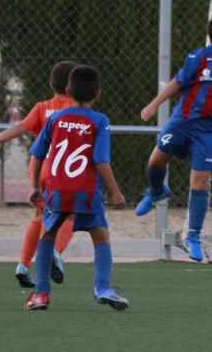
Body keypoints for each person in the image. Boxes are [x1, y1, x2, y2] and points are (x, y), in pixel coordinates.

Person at [135, 13, 212, 262]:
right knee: (155, 163)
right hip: (182, 121)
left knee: (201, 181)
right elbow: (178, 82)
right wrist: (154, 105)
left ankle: (192, 236)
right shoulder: (200, 56)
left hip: (210, 131)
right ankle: (156, 191)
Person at [23, 65, 128, 310]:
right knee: (100, 236)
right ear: (99, 94)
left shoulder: (55, 118)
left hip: (57, 190)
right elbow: (101, 160)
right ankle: (102, 287)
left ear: (68, 90)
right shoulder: (100, 121)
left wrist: (36, 186)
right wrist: (115, 191)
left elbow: (37, 154)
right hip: (87, 191)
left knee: (47, 235)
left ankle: (41, 294)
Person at [0, 61, 77, 288]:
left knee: (40, 216)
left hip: (39, 170)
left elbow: (19, 128)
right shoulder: (78, 109)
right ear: (73, 87)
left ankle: (23, 265)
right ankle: (54, 252)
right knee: (70, 216)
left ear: (51, 84)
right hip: (64, 169)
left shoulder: (41, 107)